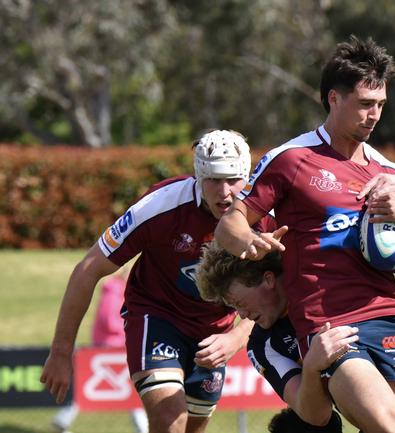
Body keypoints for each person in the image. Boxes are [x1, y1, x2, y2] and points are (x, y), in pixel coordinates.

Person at [215, 35, 395, 433]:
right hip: (331, 324)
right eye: (364, 104)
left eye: (380, 106)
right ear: (333, 99)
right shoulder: (292, 159)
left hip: (390, 316)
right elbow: (229, 224)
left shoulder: (389, 173)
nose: (374, 115)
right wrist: (249, 242)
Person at [41, 130, 278, 433]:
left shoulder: (265, 215)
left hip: (214, 332)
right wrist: (61, 352)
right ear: (198, 176)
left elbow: (282, 290)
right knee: (170, 421)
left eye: (232, 179)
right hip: (157, 318)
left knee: (192, 428)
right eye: (213, 180)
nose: (224, 192)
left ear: (246, 177)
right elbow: (88, 269)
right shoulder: (161, 206)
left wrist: (236, 337)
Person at [195, 245, 395, 433]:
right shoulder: (264, 344)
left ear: (268, 279)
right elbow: (315, 417)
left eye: (237, 301)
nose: (240, 314)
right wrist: (312, 366)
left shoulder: (332, 285)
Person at [52, 266, 148, 433]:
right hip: (109, 349)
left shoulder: (121, 291)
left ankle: (142, 427)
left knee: (123, 388)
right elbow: (109, 319)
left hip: (118, 348)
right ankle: (63, 419)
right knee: (101, 387)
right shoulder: (114, 290)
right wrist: (130, 328)